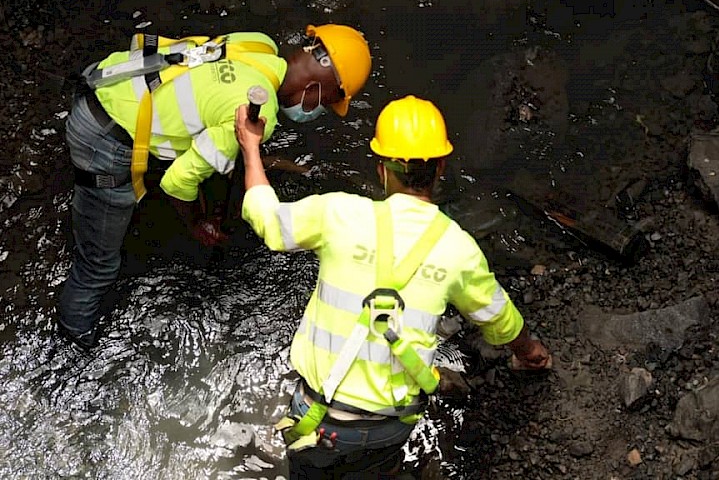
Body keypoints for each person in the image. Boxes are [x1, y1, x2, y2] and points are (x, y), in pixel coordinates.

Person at [235, 94, 552, 478]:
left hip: (317, 421)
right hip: (389, 426)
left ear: (381, 168)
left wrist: (251, 146)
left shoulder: (337, 213)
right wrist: (531, 352)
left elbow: (265, 217)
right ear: (441, 167)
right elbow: (500, 320)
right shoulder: (459, 248)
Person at [56, 24, 373, 350]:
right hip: (102, 137)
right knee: (98, 265)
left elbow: (210, 101)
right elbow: (176, 183)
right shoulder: (262, 114)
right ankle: (72, 337)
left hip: (109, 78)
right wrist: (196, 222)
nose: (317, 112)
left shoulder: (257, 43)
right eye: (326, 103)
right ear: (312, 91)